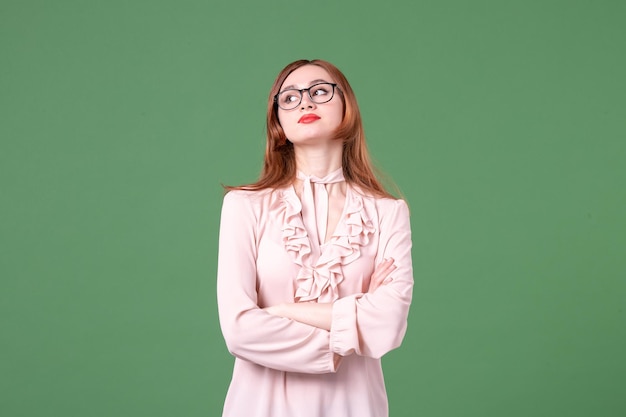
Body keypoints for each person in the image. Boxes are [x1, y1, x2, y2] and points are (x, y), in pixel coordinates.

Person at [217, 59, 413, 417]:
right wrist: (349, 331)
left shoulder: (388, 212)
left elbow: (388, 323)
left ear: (346, 106)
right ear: (277, 119)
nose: (305, 102)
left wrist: (280, 312)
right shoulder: (244, 205)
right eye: (289, 98)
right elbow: (239, 330)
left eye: (320, 91)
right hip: (261, 405)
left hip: (354, 404)